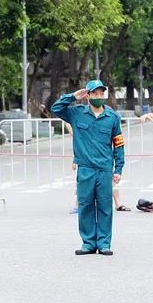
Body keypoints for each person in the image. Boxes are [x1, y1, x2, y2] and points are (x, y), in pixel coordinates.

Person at [51, 80, 124, 256]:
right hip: (85, 168)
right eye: (95, 94)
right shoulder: (76, 113)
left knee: (105, 207)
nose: (99, 97)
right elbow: (56, 109)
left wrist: (118, 168)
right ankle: (89, 243)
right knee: (85, 206)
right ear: (88, 95)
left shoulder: (112, 117)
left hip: (104, 168)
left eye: (101, 94)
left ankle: (104, 243)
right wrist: (73, 96)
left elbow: (118, 144)